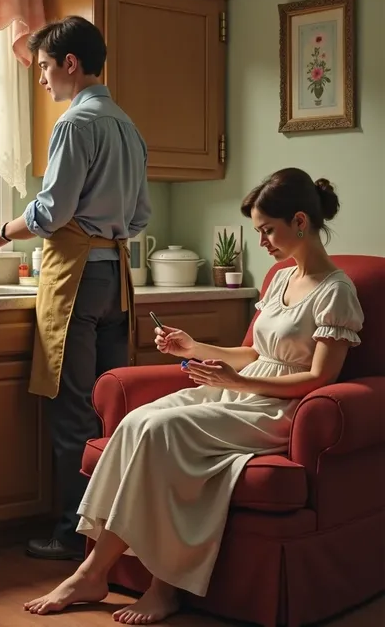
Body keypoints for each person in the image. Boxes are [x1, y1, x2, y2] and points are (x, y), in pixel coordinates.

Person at [23, 167, 364, 624]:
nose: (262, 242)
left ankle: (164, 587)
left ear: (300, 222)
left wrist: (238, 383)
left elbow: (319, 378)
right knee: (137, 421)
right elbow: (253, 352)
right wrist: (194, 347)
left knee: (164, 431)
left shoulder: (336, 292)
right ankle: (93, 571)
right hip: (240, 390)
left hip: (279, 407)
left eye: (267, 230)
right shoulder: (280, 278)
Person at [0, 16, 151, 561]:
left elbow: (53, 211)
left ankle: (74, 534)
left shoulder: (76, 124)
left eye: (47, 68)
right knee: (111, 406)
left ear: (70, 64)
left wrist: (3, 231)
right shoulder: (127, 126)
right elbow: (139, 217)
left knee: (73, 408)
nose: (44, 80)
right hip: (115, 279)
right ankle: (113, 534)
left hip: (76, 279)